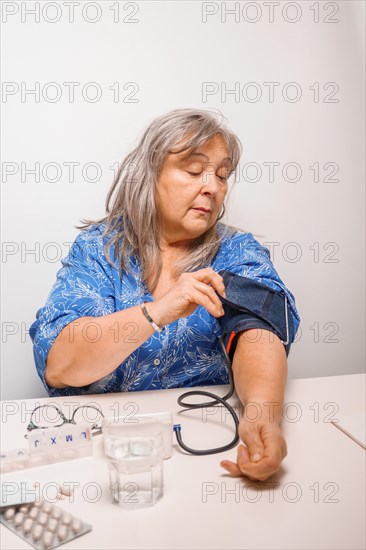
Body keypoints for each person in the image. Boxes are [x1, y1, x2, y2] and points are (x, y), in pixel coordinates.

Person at [30, 108, 300, 481]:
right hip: (99, 456)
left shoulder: (237, 253)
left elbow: (258, 332)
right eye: (194, 171)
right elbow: (61, 366)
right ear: (149, 174)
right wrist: (156, 312)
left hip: (199, 448)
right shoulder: (98, 249)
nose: (213, 187)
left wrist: (261, 415)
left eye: (222, 176)